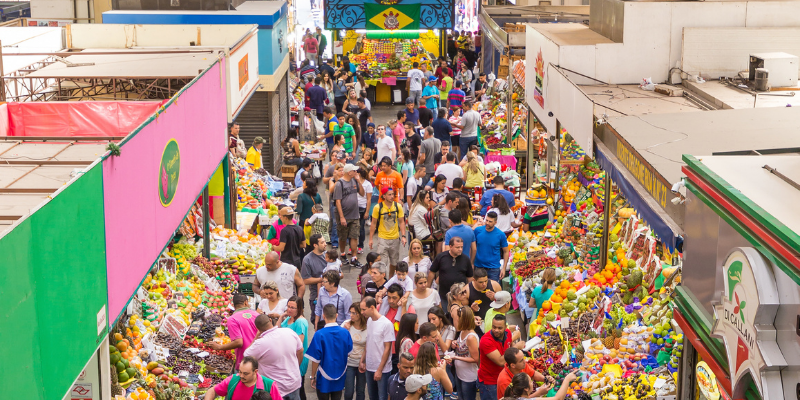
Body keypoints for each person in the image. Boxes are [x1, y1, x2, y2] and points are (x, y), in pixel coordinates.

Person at [244, 314, 305, 400]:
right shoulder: (289, 332)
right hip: (293, 383)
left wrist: (256, 336)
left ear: (258, 329)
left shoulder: (260, 343)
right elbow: (300, 351)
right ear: (270, 320)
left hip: (275, 388)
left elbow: (246, 356)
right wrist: (296, 367)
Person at [306, 304, 354, 400]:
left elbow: (315, 359)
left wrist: (312, 376)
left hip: (324, 376)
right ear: (336, 315)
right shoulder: (345, 333)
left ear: (323, 316)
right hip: (340, 374)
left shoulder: (319, 334)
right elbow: (348, 353)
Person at [476, 315, 523, 400]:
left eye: (499, 328)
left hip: (502, 378)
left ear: (505, 327)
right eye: (494, 327)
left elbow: (509, 345)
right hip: (490, 382)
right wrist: (516, 347)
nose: (496, 330)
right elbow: (500, 362)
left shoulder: (508, 333)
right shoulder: (486, 340)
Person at [209, 293, 258, 370]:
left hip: (245, 361)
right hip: (259, 357)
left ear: (232, 305)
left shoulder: (233, 319)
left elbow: (239, 342)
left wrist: (219, 347)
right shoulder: (256, 315)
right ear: (246, 302)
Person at [360, 297, 396, 400]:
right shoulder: (370, 321)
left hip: (382, 369)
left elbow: (387, 348)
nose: (362, 312)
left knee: (382, 397)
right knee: (372, 396)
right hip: (370, 366)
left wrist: (379, 370)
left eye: (363, 309)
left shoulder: (386, 324)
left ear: (372, 307)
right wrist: (362, 360)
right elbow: (369, 341)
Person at [204, 356, 281, 400]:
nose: (241, 376)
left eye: (245, 373)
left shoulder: (269, 385)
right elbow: (213, 391)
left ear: (255, 371)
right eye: (240, 372)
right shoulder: (233, 380)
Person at [370, 187, 407, 276]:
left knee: (394, 263)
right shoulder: (378, 207)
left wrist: (403, 236)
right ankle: (384, 281)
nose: (392, 196)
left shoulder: (398, 206)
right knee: (382, 263)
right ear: (384, 196)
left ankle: (390, 280)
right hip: (383, 239)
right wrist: (371, 238)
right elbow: (373, 223)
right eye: (389, 194)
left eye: (393, 194)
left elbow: (402, 222)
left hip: (395, 239)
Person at [428, 237, 473, 311]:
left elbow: (470, 278)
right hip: (444, 296)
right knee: (445, 317)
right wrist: (428, 289)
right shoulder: (441, 257)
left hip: (460, 297)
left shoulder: (465, 259)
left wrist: (470, 294)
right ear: (450, 246)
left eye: (461, 247)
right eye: (457, 247)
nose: (460, 249)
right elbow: (432, 272)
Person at [280, 297, 310, 400]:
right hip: (288, 358)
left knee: (299, 389)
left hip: (297, 358)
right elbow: (276, 330)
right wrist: (281, 317)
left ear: (299, 309)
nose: (289, 309)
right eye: (288, 306)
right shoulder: (289, 318)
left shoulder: (300, 322)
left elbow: (299, 344)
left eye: (292, 307)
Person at [334, 164, 366, 263]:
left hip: (355, 214)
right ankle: (343, 253)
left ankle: (354, 257)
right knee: (343, 236)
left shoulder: (354, 181)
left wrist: (358, 181)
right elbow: (338, 201)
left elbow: (362, 193)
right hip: (344, 215)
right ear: (349, 172)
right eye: (354, 171)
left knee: (354, 235)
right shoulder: (340, 184)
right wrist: (342, 217)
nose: (356, 172)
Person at [449, 306, 479, 400]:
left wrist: (456, 358)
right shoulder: (462, 332)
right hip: (459, 374)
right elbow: (462, 347)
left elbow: (475, 359)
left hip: (468, 377)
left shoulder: (471, 337)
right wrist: (455, 343)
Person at [472, 212, 510, 283]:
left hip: (493, 269)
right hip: (479, 267)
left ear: (495, 222)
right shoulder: (478, 231)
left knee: (492, 290)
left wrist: (504, 268)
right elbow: (473, 248)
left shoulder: (500, 235)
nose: (487, 223)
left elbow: (506, 251)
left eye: (490, 221)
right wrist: (472, 263)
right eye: (486, 220)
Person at [343, 304, 369, 400]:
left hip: (361, 363)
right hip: (349, 362)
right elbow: (339, 339)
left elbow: (368, 346)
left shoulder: (368, 327)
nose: (351, 315)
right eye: (350, 312)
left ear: (361, 314)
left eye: (354, 313)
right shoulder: (346, 324)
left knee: (360, 391)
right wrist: (344, 330)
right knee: (348, 391)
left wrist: (364, 361)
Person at [502, 371, 577, 400]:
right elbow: (558, 398)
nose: (532, 382)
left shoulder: (513, 397)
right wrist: (567, 379)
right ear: (526, 388)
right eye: (530, 381)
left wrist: (539, 393)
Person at [358, 167, 374, 254]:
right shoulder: (354, 182)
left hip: (362, 207)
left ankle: (360, 245)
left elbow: (369, 199)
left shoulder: (368, 184)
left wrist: (367, 211)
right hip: (354, 208)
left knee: (361, 228)